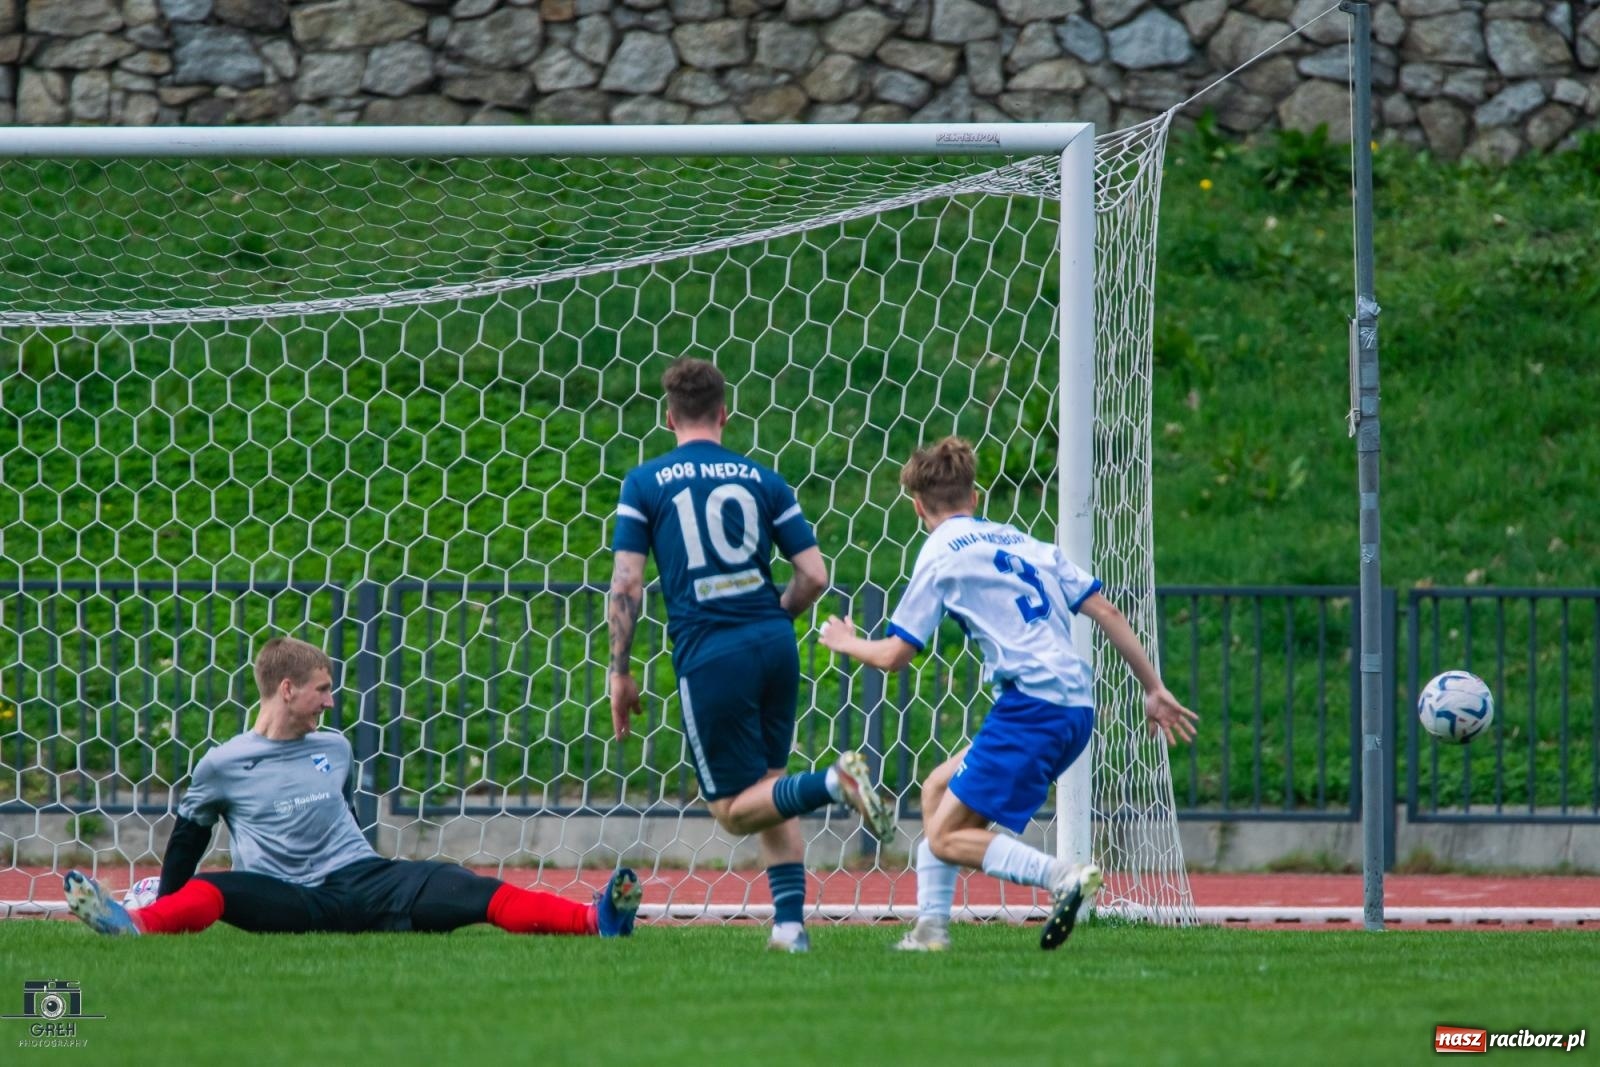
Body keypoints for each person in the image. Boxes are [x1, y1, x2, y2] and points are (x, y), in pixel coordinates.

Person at [818, 437, 1197, 952]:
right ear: (975, 499)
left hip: (1031, 709)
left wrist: (845, 641)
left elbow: (893, 656)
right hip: (1074, 709)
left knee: (946, 837)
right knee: (935, 790)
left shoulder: (938, 554)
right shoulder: (1027, 543)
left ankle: (1062, 875)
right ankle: (930, 929)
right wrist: (1153, 689)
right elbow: (1107, 612)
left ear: (916, 506)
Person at [63, 636, 641, 939]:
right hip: (291, 896)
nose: (332, 700)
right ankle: (136, 924)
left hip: (367, 881)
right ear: (286, 689)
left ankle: (596, 922)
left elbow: (337, 817)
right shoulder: (223, 763)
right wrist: (168, 897)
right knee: (218, 890)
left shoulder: (334, 748)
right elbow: (188, 838)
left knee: (473, 889)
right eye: (322, 689)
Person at [608, 357, 893, 953]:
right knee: (769, 787)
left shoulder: (645, 482)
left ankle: (835, 782)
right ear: (723, 414)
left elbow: (628, 585)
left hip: (711, 653)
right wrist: (772, 616)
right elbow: (813, 575)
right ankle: (789, 928)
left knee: (734, 811)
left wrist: (620, 671)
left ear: (669, 417)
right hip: (773, 645)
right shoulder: (764, 479)